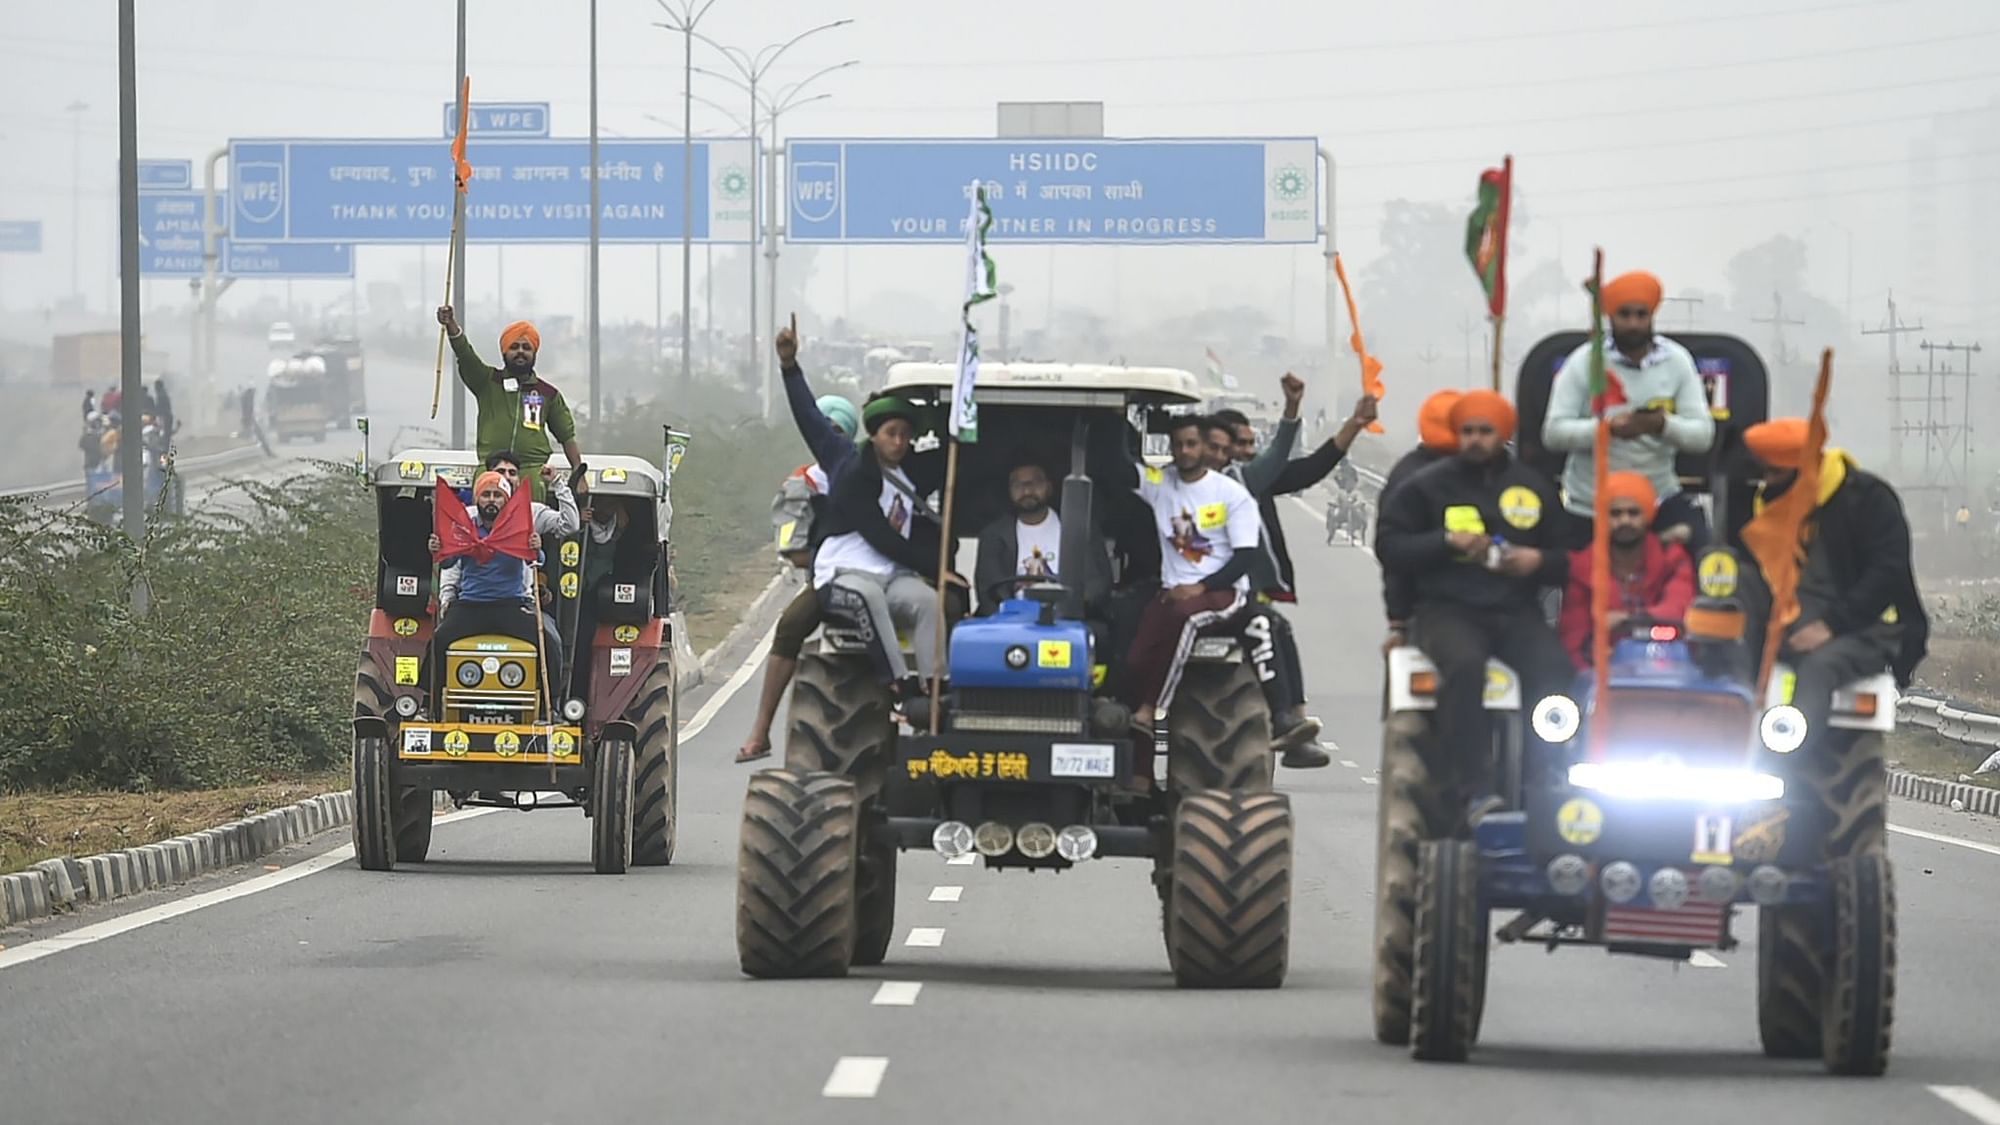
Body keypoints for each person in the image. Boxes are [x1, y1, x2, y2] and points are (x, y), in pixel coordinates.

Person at [1375, 390, 1574, 823]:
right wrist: (1444, 542)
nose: (1475, 440)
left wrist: (1537, 561)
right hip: (1447, 610)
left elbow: (1568, 556)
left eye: (1485, 432)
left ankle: (1548, 774)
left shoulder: (1532, 487)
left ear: (1502, 434)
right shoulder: (1426, 487)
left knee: (1556, 668)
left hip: (1514, 611)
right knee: (1465, 667)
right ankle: (1472, 786)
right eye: (1467, 432)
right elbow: (1391, 547)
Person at [1740, 417, 1928, 748]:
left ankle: (1785, 760)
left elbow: (1887, 573)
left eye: (1776, 474)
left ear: (1805, 470)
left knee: (1819, 668)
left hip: (1864, 629)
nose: (1768, 483)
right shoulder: (1767, 504)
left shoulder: (1868, 500)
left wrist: (1830, 625)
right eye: (1765, 473)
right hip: (1790, 622)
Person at [738, 318, 865, 763]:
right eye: (823, 430)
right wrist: (828, 558)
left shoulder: (870, 473)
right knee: (790, 625)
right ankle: (761, 729)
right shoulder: (803, 484)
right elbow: (791, 545)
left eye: (839, 431)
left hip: (880, 575)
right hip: (829, 576)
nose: (831, 438)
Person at [1541, 270, 1716, 550]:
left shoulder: (1676, 361)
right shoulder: (1585, 361)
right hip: (1590, 506)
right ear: (1611, 317)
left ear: (1651, 317)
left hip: (1657, 501)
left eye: (1641, 315)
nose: (1633, 324)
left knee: (1700, 554)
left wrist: (1661, 425)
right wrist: (1607, 429)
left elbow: (1703, 435)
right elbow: (1554, 432)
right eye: (1624, 315)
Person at [1119, 414, 1261, 736]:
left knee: (1186, 618)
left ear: (1205, 447)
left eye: (1191, 444)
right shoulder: (1162, 484)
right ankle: (1139, 769)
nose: (1184, 451)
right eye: (1178, 445)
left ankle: (1153, 709)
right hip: (1173, 591)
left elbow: (1245, 557)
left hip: (1224, 592)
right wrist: (1116, 417)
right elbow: (1122, 470)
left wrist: (1201, 587)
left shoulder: (1231, 494)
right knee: (1137, 659)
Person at [813, 394, 957, 709]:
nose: (899, 441)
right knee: (798, 624)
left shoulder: (911, 473)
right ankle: (899, 684)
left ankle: (935, 687)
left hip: (891, 573)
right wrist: (788, 368)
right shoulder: (854, 474)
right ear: (874, 436)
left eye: (906, 434)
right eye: (891, 433)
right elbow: (881, 537)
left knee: (929, 601)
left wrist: (939, 417)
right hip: (841, 572)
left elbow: (950, 453)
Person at [433, 465, 580, 681]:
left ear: (505, 499)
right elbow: (448, 563)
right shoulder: (465, 525)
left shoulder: (520, 523)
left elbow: (536, 560)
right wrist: (439, 550)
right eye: (486, 495)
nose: (491, 500)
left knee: (548, 642)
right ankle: (431, 702)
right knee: (439, 639)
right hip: (471, 604)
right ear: (477, 498)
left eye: (497, 495)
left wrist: (536, 547)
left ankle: (553, 705)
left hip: (510, 604)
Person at [435, 306, 583, 504]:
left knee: (529, 529)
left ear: (534, 353)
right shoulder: (487, 381)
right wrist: (450, 324)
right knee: (485, 529)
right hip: (490, 471)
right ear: (504, 351)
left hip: (531, 473)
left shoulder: (548, 393)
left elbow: (567, 435)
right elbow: (465, 354)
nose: (520, 352)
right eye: (514, 347)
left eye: (526, 347)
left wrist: (578, 471)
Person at [1556, 471, 1695, 670]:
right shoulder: (1582, 567)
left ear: (1648, 515)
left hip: (1670, 666)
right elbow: (1574, 634)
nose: (1625, 521)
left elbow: (1680, 608)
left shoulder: (1673, 558)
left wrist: (1629, 620)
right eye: (1615, 514)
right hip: (1605, 673)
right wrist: (1594, 655)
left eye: (1633, 513)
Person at [1378, 389, 1462, 653]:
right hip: (1433, 606)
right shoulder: (1411, 480)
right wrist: (1399, 619)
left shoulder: (1498, 473)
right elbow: (1394, 552)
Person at [972, 461, 1112, 615]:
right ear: (1009, 491)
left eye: (1035, 482)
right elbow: (988, 590)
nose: (1026, 490)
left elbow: (1099, 583)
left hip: (1070, 618)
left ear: (1049, 487)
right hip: (1011, 622)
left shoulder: (1081, 528)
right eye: (1018, 484)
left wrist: (1071, 608)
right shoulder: (994, 535)